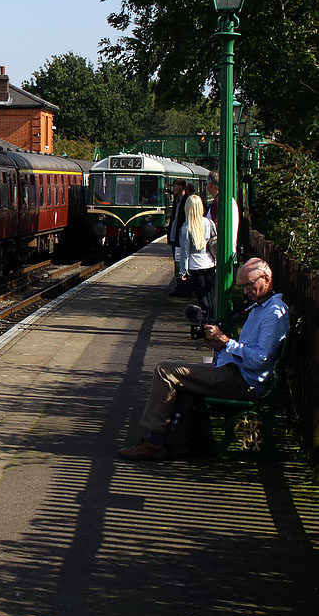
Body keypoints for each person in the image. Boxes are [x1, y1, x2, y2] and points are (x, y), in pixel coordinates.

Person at [119, 258, 289, 460]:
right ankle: (166, 440)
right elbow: (249, 352)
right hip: (237, 374)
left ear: (266, 278)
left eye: (249, 285)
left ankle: (154, 444)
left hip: (244, 382)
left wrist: (226, 342)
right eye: (243, 286)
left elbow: (260, 359)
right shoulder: (261, 307)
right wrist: (219, 346)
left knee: (165, 371)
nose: (245, 291)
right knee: (174, 373)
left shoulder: (273, 313)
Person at [178, 195, 216, 319]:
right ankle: (212, 318)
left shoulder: (186, 227)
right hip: (209, 262)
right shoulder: (209, 223)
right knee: (210, 294)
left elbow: (184, 252)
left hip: (195, 265)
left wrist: (183, 271)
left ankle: (206, 320)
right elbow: (215, 242)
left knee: (201, 296)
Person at [204, 171, 240, 258]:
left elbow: (216, 225)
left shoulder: (219, 202)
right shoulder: (229, 200)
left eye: (207, 183)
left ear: (211, 184)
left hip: (220, 250)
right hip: (228, 248)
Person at [165, 178, 190, 292]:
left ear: (181, 187)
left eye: (174, 186)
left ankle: (184, 287)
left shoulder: (187, 200)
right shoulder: (176, 199)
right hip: (174, 235)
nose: (173, 188)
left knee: (182, 260)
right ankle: (179, 285)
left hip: (182, 235)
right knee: (176, 260)